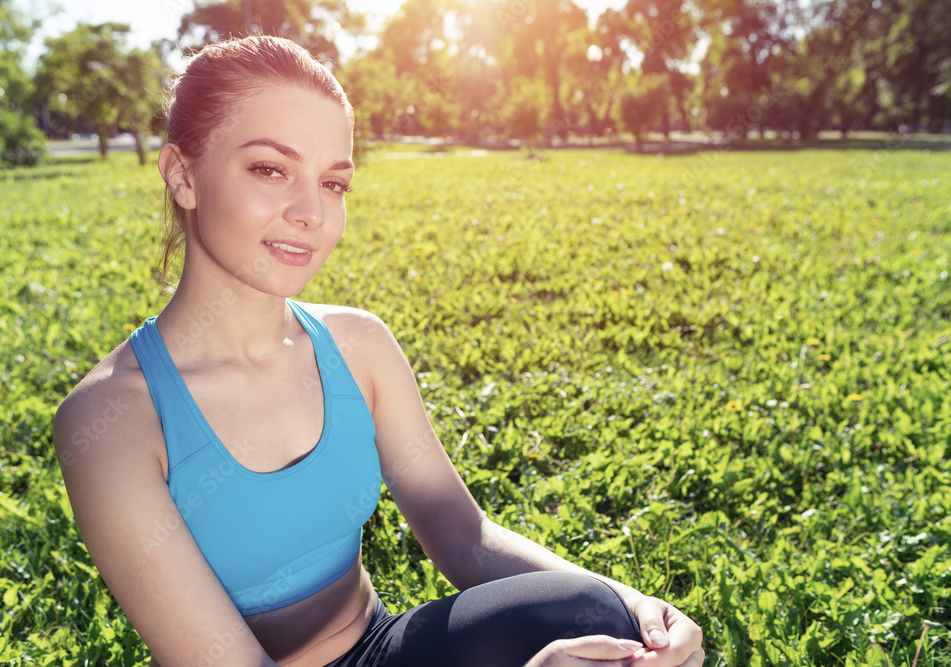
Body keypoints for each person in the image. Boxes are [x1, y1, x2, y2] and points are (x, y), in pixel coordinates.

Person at [53, 35, 704, 667]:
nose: (311, 211)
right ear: (183, 176)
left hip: (384, 645)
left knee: (606, 624)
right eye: (270, 169)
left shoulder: (357, 346)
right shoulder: (111, 421)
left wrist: (637, 605)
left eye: (334, 182)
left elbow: (465, 539)